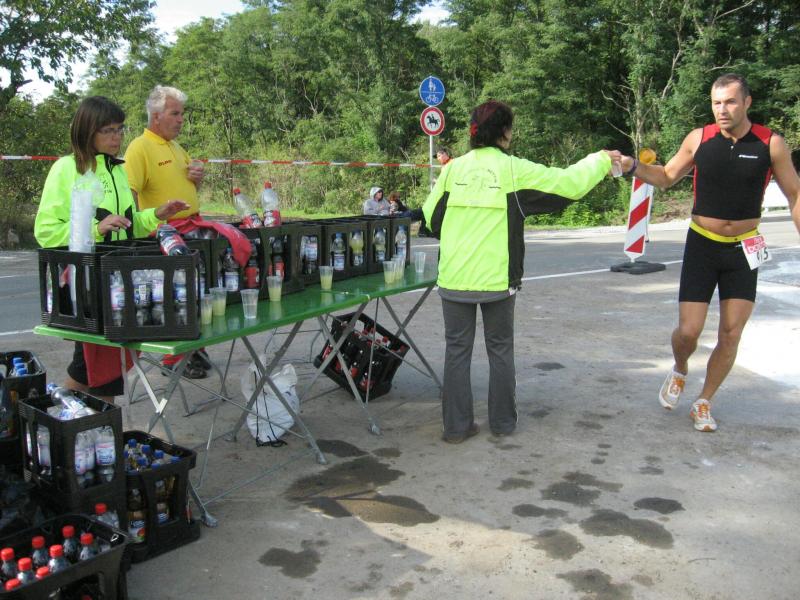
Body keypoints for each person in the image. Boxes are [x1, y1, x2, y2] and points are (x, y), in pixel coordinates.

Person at [422, 100, 620, 443]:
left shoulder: (453, 170)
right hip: (497, 281)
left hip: (454, 278)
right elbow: (568, 184)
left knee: (456, 351)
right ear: (505, 133)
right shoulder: (514, 170)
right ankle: (502, 424)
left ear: (473, 132)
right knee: (500, 349)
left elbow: (430, 218)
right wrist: (600, 160)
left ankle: (456, 428)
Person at [620, 73, 800, 433]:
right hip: (702, 244)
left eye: (730, 101)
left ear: (747, 102)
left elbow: (795, 194)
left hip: (744, 249)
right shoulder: (699, 138)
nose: (723, 109)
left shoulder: (770, 143)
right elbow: (667, 176)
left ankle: (704, 401)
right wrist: (633, 166)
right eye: (717, 103)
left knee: (731, 334)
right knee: (689, 332)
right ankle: (680, 369)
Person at [34, 96, 188, 403]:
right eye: (108, 131)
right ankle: (73, 417)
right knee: (97, 371)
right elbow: (46, 231)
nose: (116, 137)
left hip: (118, 282)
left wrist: (155, 214)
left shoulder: (118, 170)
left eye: (119, 129)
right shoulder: (66, 169)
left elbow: (128, 227)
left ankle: (69, 416)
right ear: (87, 131)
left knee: (98, 370)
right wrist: (96, 229)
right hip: (85, 286)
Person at [124, 85, 210, 378]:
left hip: (191, 228)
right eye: (175, 113)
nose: (181, 119)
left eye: (181, 114)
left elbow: (187, 186)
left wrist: (197, 179)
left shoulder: (176, 147)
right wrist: (135, 235)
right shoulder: (139, 147)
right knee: (177, 294)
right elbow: (130, 194)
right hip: (164, 234)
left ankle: (194, 349)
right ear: (156, 116)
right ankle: (174, 359)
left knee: (198, 290)